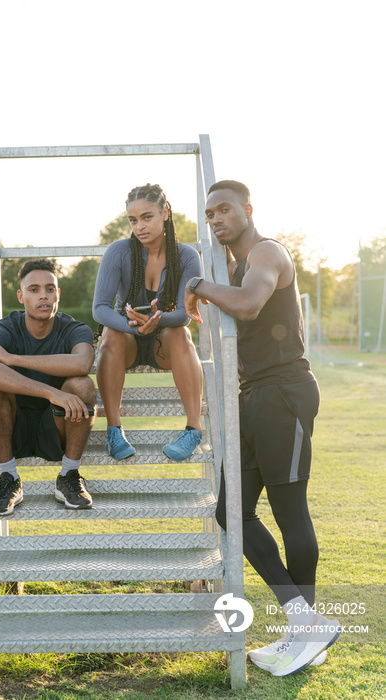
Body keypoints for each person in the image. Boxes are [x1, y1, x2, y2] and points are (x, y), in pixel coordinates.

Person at [184, 180, 340, 676]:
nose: (216, 219)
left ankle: (306, 627)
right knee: (233, 513)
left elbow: (249, 304)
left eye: (224, 210)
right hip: (251, 397)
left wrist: (197, 286)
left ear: (247, 209)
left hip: (284, 391)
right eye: (209, 214)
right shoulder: (228, 267)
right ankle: (304, 621)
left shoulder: (267, 252)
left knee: (290, 510)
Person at [0, 258, 96, 516]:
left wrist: (12, 359)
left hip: (54, 427)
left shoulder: (75, 328)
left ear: (58, 293)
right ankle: (9, 479)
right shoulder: (1, 330)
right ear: (21, 296)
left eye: (50, 289)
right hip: (12, 426)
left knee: (83, 385)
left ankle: (69, 475)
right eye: (34, 290)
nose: (44, 296)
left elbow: (83, 362)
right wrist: (52, 392)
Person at [93, 183, 203, 462]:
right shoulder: (118, 252)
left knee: (180, 334)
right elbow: (100, 308)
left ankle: (193, 430)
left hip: (163, 343)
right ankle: (114, 431)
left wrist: (157, 320)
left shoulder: (187, 256)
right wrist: (131, 326)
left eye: (147, 217)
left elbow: (184, 312)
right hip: (125, 340)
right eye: (133, 220)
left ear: (165, 213)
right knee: (111, 334)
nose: (139, 226)